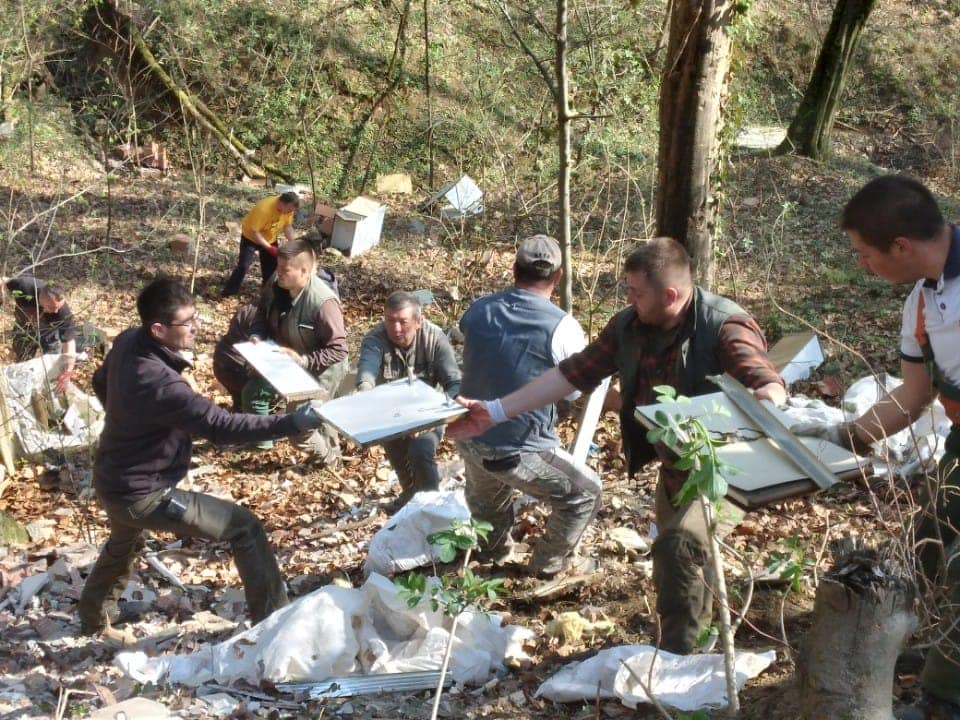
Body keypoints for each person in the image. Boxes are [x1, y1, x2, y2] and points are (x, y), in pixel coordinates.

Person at [450, 237, 786, 652]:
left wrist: (770, 395)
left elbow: (762, 375)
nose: (629, 298)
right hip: (674, 469)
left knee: (678, 548)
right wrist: (498, 410)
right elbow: (571, 375)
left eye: (636, 292)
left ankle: (679, 661)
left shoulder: (723, 324)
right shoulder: (628, 326)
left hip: (724, 470)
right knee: (683, 562)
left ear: (670, 294)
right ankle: (704, 641)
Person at [793, 175, 959, 719]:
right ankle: (925, 639)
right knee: (931, 540)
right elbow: (913, 395)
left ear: (901, 247)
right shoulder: (922, 302)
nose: (862, 265)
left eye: (865, 255)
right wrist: (847, 437)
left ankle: (944, 698)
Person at [78, 278, 324, 640]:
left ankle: (93, 619)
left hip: (113, 479)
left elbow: (101, 382)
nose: (196, 327)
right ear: (158, 329)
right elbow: (221, 426)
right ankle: (273, 626)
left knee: (124, 543)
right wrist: (291, 422)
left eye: (196, 317)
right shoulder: (162, 386)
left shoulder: (130, 340)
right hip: (143, 493)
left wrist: (132, 421)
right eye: (187, 323)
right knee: (245, 528)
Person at [455, 234, 600, 577]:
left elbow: (466, 336)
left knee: (487, 499)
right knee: (586, 495)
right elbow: (573, 394)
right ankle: (548, 568)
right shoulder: (564, 327)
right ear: (559, 277)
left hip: (469, 437)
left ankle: (493, 556)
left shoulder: (478, 309)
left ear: (513, 269)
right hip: (519, 448)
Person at [244, 238, 349, 463]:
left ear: (304, 271)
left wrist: (303, 361)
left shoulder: (323, 303)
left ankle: (330, 458)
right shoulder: (277, 284)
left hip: (322, 369)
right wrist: (257, 335)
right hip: (288, 360)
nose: (278, 273)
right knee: (259, 394)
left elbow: (339, 349)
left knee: (302, 425)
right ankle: (325, 454)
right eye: (278, 267)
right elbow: (262, 312)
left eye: (285, 270)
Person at [356, 291, 461, 509]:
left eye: (403, 322)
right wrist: (364, 390)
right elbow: (367, 369)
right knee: (395, 447)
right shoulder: (375, 339)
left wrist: (435, 418)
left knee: (420, 449)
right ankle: (409, 495)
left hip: (431, 413)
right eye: (390, 321)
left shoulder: (435, 339)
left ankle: (433, 507)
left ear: (418, 321)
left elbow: (454, 383)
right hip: (392, 411)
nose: (396, 329)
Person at [4, 276, 78, 390]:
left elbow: (69, 341)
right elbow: (4, 281)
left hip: (49, 332)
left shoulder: (62, 312)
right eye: (52, 307)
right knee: (23, 362)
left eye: (58, 307)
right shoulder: (24, 286)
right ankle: (22, 389)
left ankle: (49, 391)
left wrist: (68, 370)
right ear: (43, 298)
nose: (56, 311)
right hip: (24, 329)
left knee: (54, 364)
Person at [221, 191, 300, 297]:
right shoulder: (264, 209)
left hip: (270, 238)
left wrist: (294, 243)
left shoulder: (288, 210)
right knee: (243, 266)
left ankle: (268, 294)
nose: (290, 212)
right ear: (282, 203)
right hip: (250, 238)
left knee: (271, 268)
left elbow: (287, 226)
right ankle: (229, 292)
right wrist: (269, 248)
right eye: (289, 209)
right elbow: (255, 232)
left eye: (292, 210)